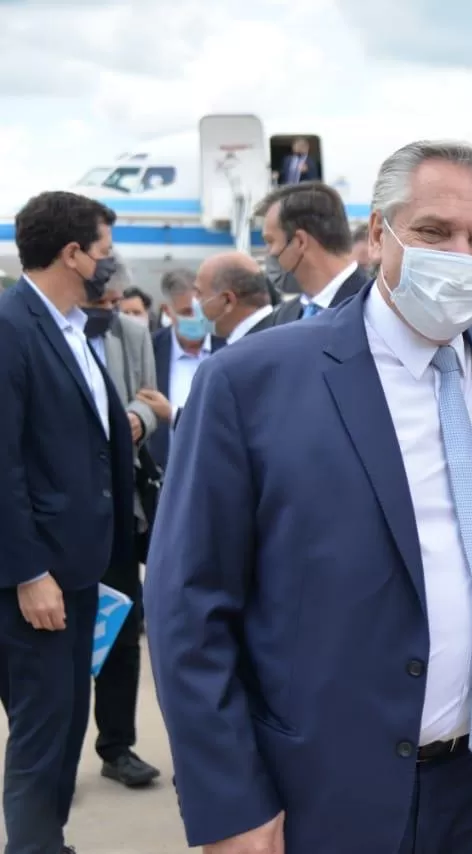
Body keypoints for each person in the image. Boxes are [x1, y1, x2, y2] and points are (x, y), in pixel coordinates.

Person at [144, 140, 472, 854]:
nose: (460, 253)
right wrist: (228, 801)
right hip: (320, 792)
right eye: (432, 231)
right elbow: (188, 605)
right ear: (378, 233)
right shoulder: (253, 382)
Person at [0, 190, 136, 854]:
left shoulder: (71, 329)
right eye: (106, 251)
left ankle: (45, 842)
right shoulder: (10, 325)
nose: (113, 265)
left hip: (82, 569)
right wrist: (27, 571)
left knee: (66, 726)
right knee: (40, 734)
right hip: (39, 577)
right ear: (73, 253)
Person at [81, 264, 167, 789]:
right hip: (57, 513)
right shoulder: (35, 331)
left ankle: (118, 746)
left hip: (119, 504)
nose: (109, 310)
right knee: (46, 639)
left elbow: (149, 398)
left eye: (115, 302)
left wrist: (139, 416)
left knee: (119, 630)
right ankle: (47, 751)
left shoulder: (130, 334)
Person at [255, 182, 368, 323]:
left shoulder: (371, 307)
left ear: (300, 242)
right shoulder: (283, 316)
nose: (269, 252)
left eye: (270, 241)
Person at [150, 268, 221, 469]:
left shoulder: (228, 346)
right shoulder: (151, 350)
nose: (196, 318)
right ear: (167, 311)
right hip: (164, 475)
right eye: (186, 312)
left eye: (200, 309)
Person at [193, 251, 276, 344]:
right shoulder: (289, 330)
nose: (194, 301)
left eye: (199, 293)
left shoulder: (240, 354)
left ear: (227, 301)